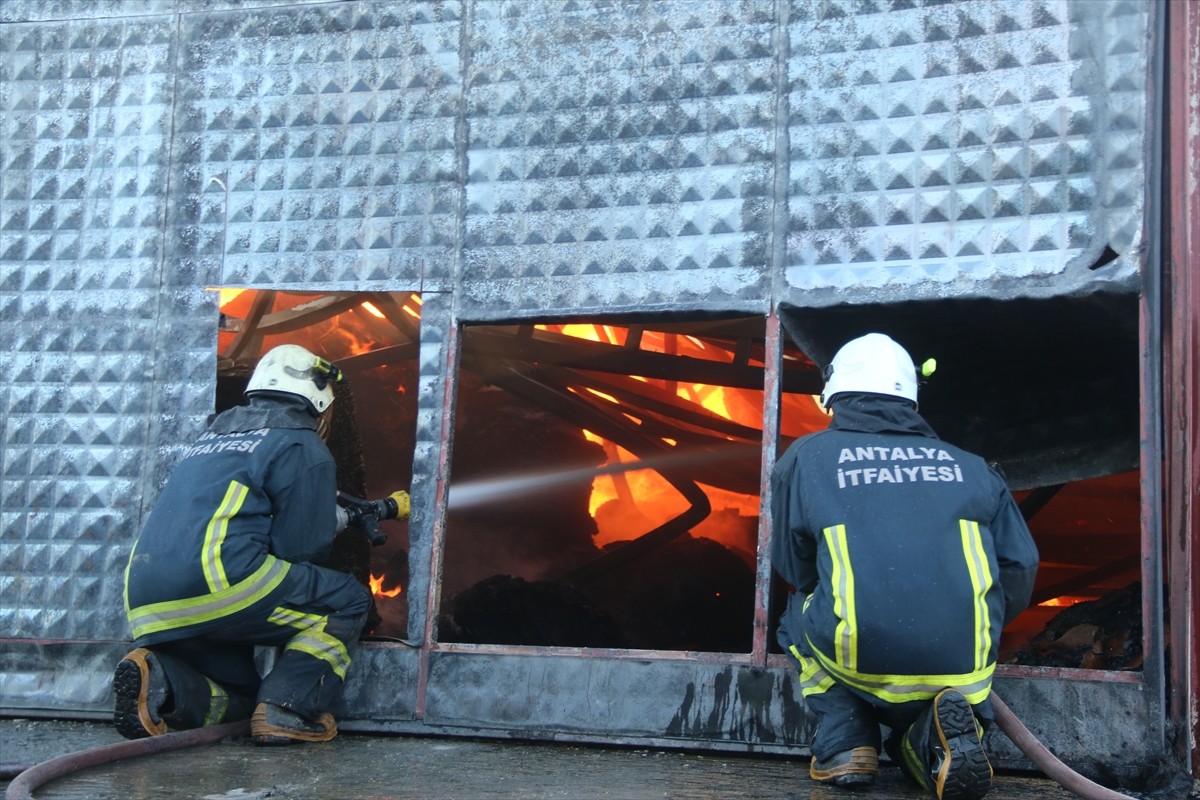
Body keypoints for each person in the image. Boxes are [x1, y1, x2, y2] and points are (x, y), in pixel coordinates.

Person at [770, 333, 1040, 800]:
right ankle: (928, 741)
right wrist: (971, 626)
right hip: (966, 662)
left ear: (834, 395)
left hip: (859, 655)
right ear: (911, 396)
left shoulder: (808, 457)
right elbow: (1021, 563)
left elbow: (793, 568)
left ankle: (846, 740)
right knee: (920, 678)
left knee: (797, 615)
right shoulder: (971, 466)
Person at [115, 343, 372, 746]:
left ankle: (163, 681)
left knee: (241, 696)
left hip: (146, 602)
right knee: (347, 599)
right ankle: (288, 709)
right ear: (319, 395)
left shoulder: (209, 441)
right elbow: (300, 551)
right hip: (220, 584)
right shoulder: (302, 445)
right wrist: (331, 522)